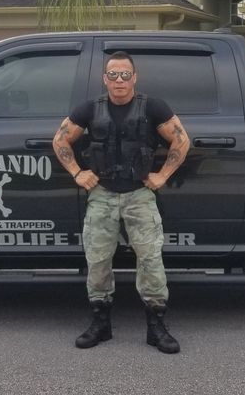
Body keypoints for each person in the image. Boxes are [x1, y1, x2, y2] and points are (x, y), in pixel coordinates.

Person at [52, 51, 190, 354]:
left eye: (125, 74)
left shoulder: (153, 107)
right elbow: (60, 139)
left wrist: (163, 175)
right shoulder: (90, 108)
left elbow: (181, 140)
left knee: (151, 260)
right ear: (105, 79)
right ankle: (100, 324)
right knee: (98, 260)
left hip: (139, 194)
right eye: (113, 75)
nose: (119, 80)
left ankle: (156, 327)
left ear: (134, 77)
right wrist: (77, 172)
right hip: (102, 194)